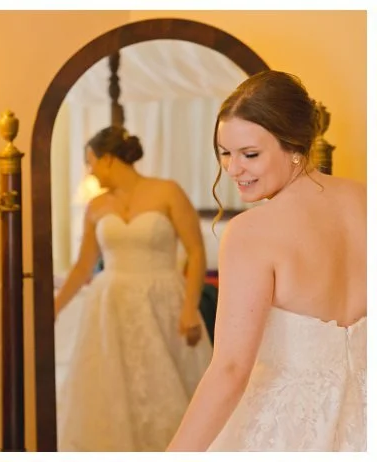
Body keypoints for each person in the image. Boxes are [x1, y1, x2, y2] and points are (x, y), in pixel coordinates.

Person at [168, 70, 366, 451]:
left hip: (288, 428)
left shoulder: (251, 232)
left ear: (295, 146)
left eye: (250, 154)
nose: (233, 169)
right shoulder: (366, 201)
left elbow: (230, 370)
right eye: (225, 153)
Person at [53, 126, 213, 451]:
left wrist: (189, 309)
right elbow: (84, 265)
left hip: (163, 299)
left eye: (91, 162)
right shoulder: (95, 206)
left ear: (109, 159)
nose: (91, 170)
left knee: (165, 388)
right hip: (109, 305)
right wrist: (55, 307)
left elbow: (196, 252)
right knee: (112, 391)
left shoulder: (167, 192)